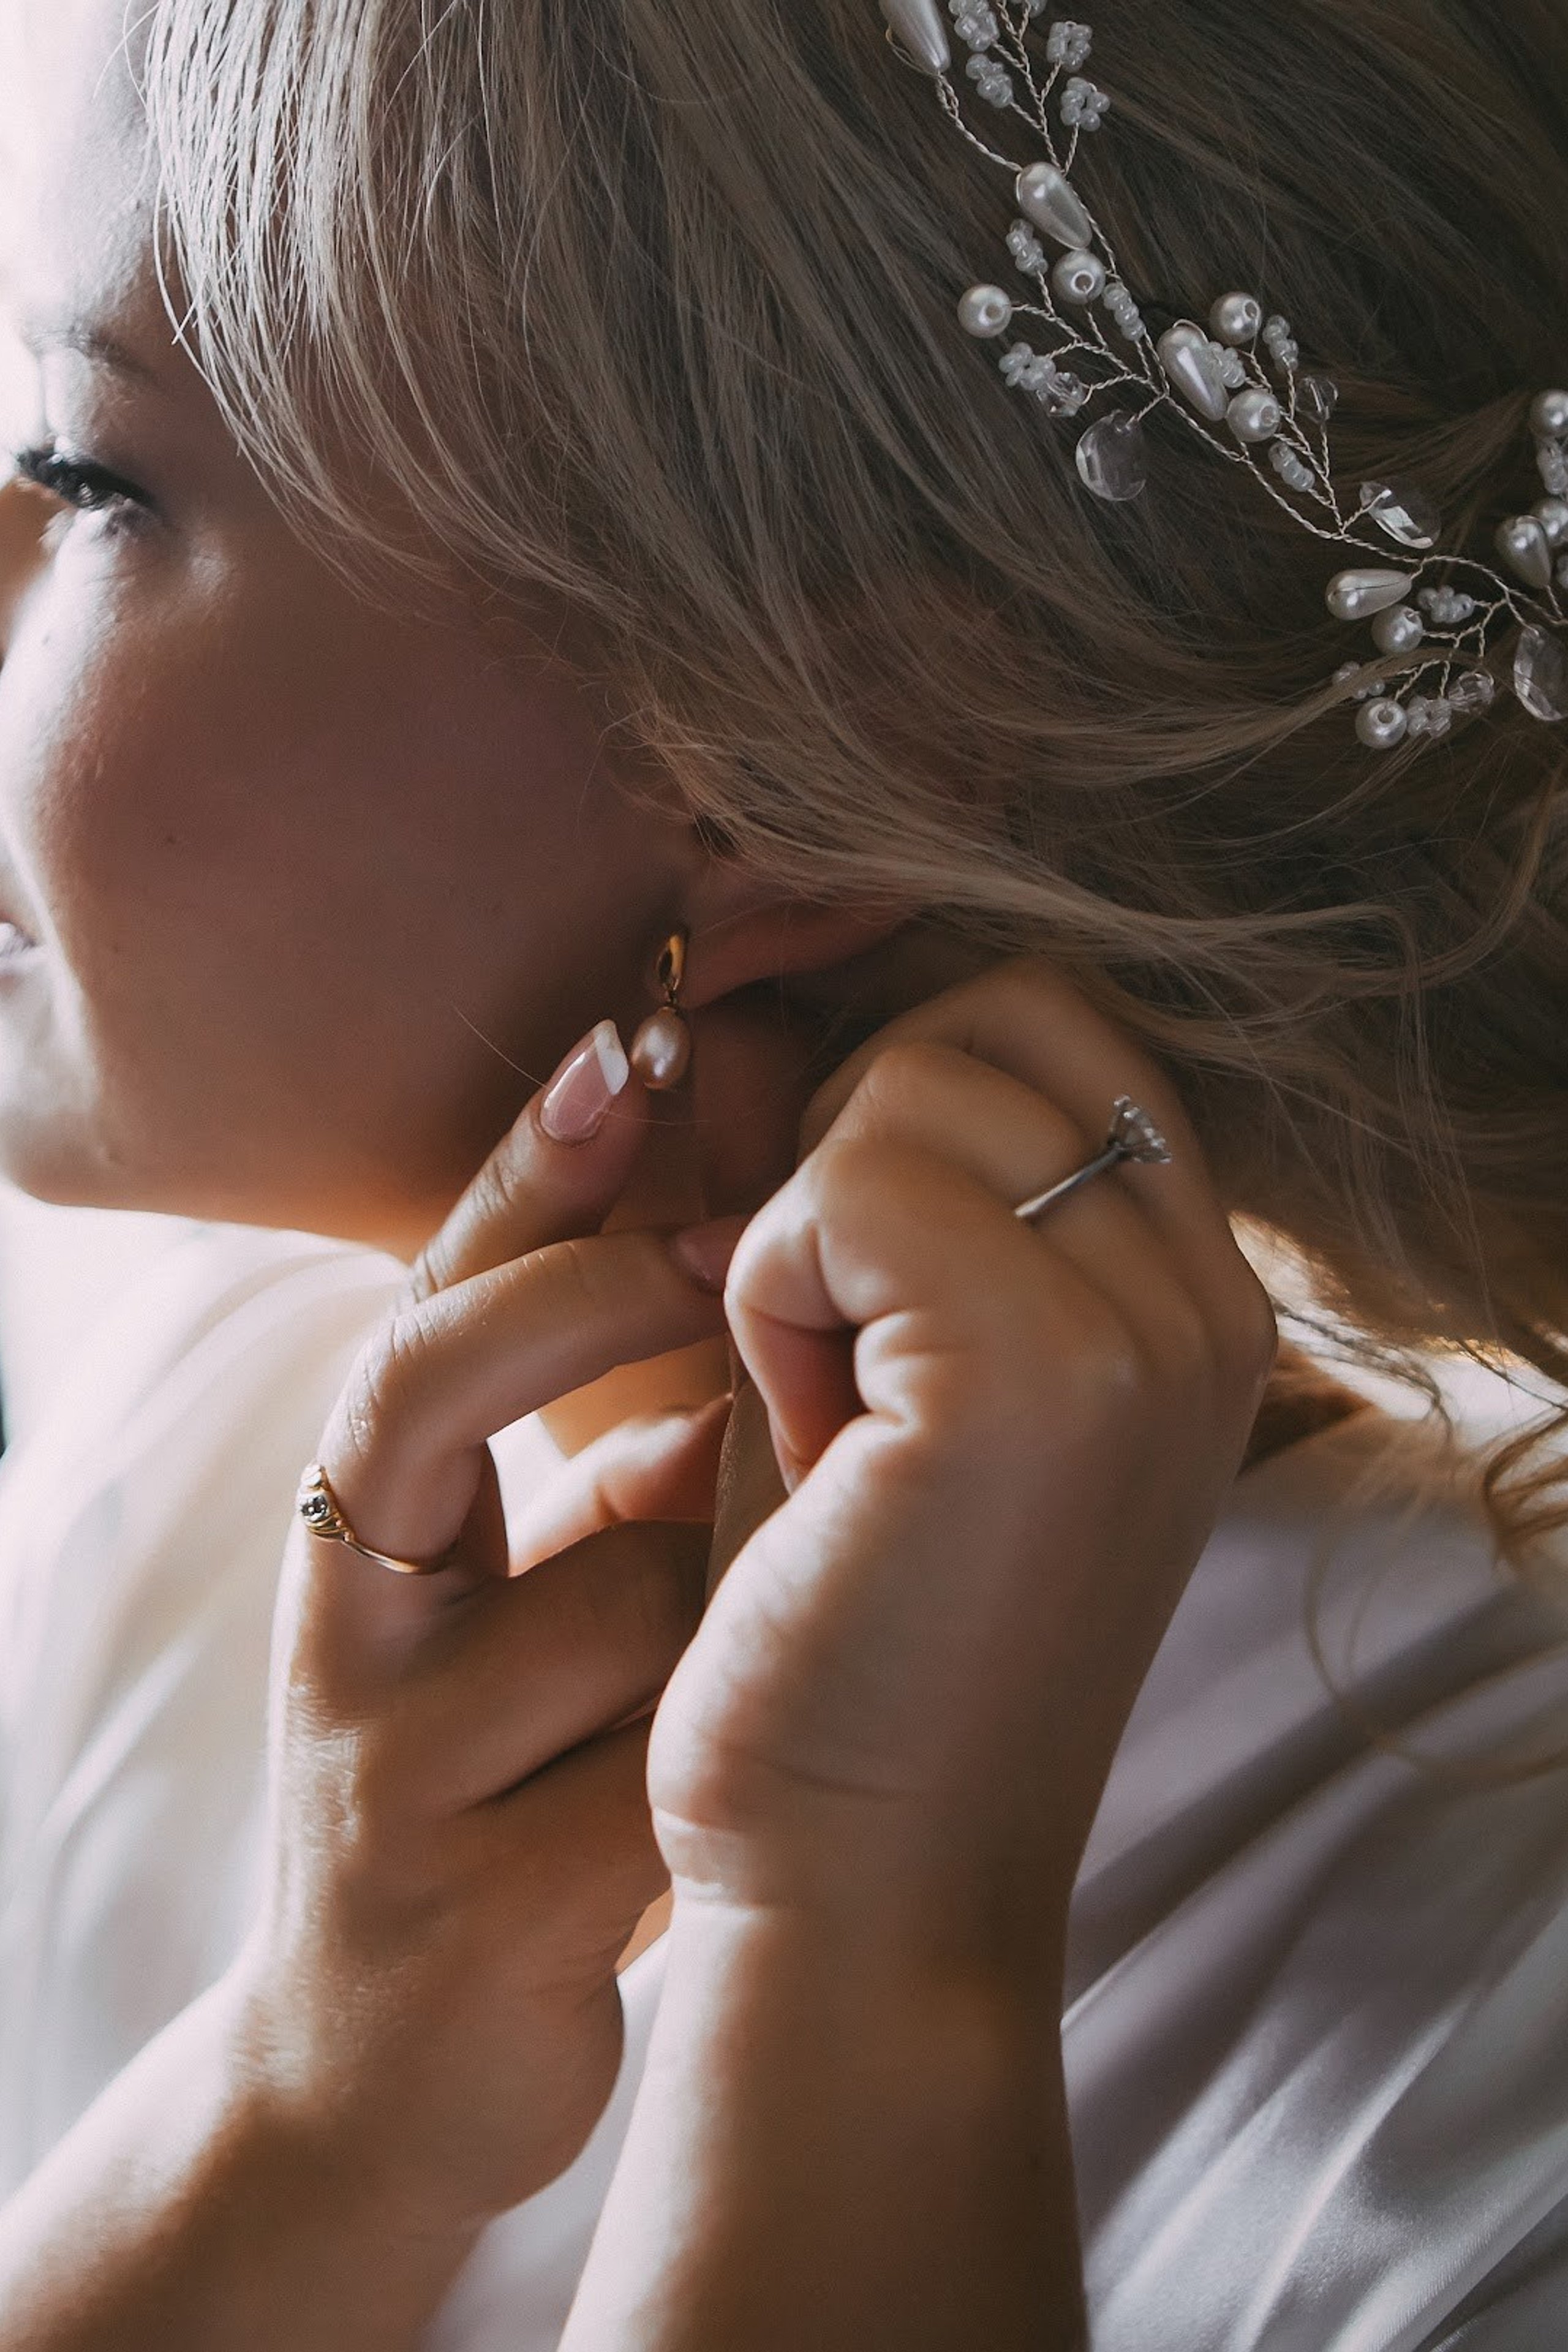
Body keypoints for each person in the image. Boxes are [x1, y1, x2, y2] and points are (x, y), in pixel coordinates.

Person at [0, 0, 1565, 2341]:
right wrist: (313, 2099)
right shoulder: (231, 1458)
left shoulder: (1480, 2076)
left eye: (91, 471)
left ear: (799, 769)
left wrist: (862, 1957)